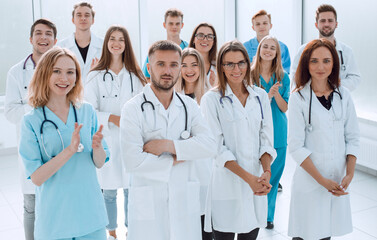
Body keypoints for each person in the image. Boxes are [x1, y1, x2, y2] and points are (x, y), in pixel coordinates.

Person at [120, 40, 216, 240]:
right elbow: (132, 161)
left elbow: (209, 145)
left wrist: (167, 146)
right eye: (160, 64)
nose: (167, 71)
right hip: (148, 204)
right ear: (149, 68)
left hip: (184, 201)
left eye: (173, 65)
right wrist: (180, 156)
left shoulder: (189, 106)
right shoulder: (133, 108)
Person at [19, 47, 110, 240]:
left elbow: (100, 162)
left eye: (71, 72)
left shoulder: (86, 111)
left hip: (90, 216)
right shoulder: (32, 121)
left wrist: (97, 148)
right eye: (57, 71)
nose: (64, 78)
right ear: (44, 73)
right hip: (55, 221)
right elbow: (36, 178)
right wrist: (69, 150)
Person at [201, 40, 276, 240]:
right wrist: (249, 179)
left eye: (241, 63)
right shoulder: (211, 100)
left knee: (250, 234)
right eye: (229, 64)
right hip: (226, 183)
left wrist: (266, 172)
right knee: (224, 233)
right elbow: (217, 149)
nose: (236, 69)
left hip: (256, 182)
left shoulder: (260, 96)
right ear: (221, 67)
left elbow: (266, 140)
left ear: (247, 63)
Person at [288, 39, 360, 240]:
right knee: (305, 233)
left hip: (337, 179)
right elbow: (295, 147)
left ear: (334, 64)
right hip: (310, 180)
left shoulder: (343, 95)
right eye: (314, 61)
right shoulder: (299, 98)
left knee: (326, 233)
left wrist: (350, 174)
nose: (321, 67)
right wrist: (321, 181)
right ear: (306, 64)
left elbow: (353, 137)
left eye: (326, 61)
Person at [85, 25, 147, 240]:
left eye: (121, 39)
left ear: (126, 44)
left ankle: (133, 229)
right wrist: (112, 118)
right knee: (109, 191)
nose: (116, 43)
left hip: (131, 140)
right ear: (106, 43)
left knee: (132, 189)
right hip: (108, 139)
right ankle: (111, 231)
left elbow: (145, 107)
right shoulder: (95, 76)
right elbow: (88, 109)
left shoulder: (136, 76)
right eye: (112, 38)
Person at [4, 18, 57, 240]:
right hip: (31, 145)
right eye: (38, 33)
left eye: (48, 34)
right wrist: (36, 106)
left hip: (58, 144)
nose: (43, 37)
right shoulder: (17, 72)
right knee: (31, 203)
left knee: (56, 201)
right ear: (31, 38)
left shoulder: (63, 67)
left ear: (55, 40)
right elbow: (10, 111)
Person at [250, 35, 290, 230]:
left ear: (277, 53)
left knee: (273, 177)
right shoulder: (249, 75)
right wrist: (266, 96)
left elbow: (284, 107)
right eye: (265, 46)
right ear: (259, 50)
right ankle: (254, 212)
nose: (268, 50)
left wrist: (274, 96)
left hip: (279, 133)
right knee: (258, 174)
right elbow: (250, 107)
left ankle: (268, 216)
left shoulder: (283, 77)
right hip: (256, 132)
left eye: (272, 48)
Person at [175, 47, 212, 240]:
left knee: (205, 221)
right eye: (184, 65)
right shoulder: (172, 96)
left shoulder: (210, 95)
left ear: (201, 67)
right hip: (180, 165)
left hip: (205, 167)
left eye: (194, 65)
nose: (189, 70)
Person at [290, 4, 361, 91]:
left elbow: (355, 79)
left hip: (338, 100)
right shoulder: (303, 50)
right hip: (310, 100)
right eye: (323, 21)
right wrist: (317, 86)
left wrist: (332, 85)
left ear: (336, 24)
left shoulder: (347, 52)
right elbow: (295, 78)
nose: (326, 24)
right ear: (316, 25)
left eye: (330, 21)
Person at [58, 2, 103, 82]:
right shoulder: (61, 47)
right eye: (79, 15)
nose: (83, 18)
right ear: (73, 20)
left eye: (87, 15)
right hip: (70, 93)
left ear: (92, 20)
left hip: (96, 93)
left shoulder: (104, 46)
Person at [142, 8, 189, 80]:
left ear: (182, 25)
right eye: (171, 23)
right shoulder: (156, 50)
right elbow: (146, 77)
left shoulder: (188, 49)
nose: (174, 27)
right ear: (164, 25)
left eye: (177, 24)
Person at [243, 10, 291, 74]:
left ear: (270, 26)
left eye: (265, 23)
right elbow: (241, 71)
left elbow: (285, 73)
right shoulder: (245, 47)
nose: (261, 26)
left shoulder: (282, 47)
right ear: (253, 27)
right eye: (257, 24)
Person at [189, 22, 218, 88]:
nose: (205, 39)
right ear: (193, 39)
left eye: (210, 36)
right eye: (200, 35)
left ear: (213, 42)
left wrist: (215, 86)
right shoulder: (182, 64)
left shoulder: (218, 68)